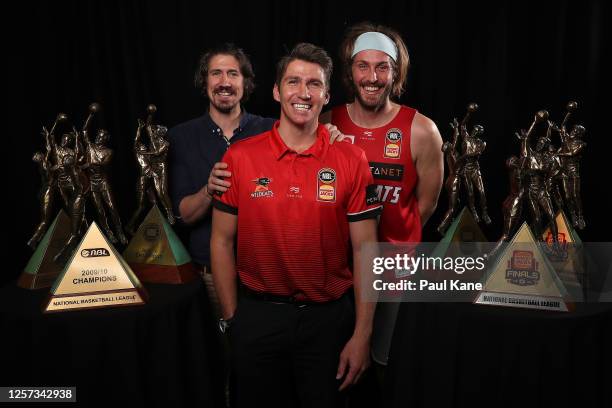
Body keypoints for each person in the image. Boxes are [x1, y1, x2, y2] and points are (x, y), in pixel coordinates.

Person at [210, 43, 382, 408]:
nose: (303, 93)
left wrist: (362, 335)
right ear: (276, 91)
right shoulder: (240, 157)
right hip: (257, 317)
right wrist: (232, 321)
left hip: (328, 321)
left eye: (314, 84)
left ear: (327, 95)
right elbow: (222, 242)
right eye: (293, 82)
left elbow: (367, 251)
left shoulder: (351, 158)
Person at [320, 22, 443, 367]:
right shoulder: (327, 122)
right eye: (363, 66)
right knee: (335, 364)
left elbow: (427, 204)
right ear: (350, 72)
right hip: (337, 269)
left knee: (386, 365)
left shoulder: (421, 130)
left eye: (382, 67)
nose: (372, 77)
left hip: (394, 272)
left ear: (395, 72)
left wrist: (395, 241)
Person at [168, 43, 275, 314]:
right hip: (209, 277)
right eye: (216, 73)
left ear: (245, 82)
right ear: (204, 82)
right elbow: (183, 216)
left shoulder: (271, 130)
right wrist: (209, 190)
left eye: (233, 74)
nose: (224, 82)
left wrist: (329, 133)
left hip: (266, 275)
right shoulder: (181, 137)